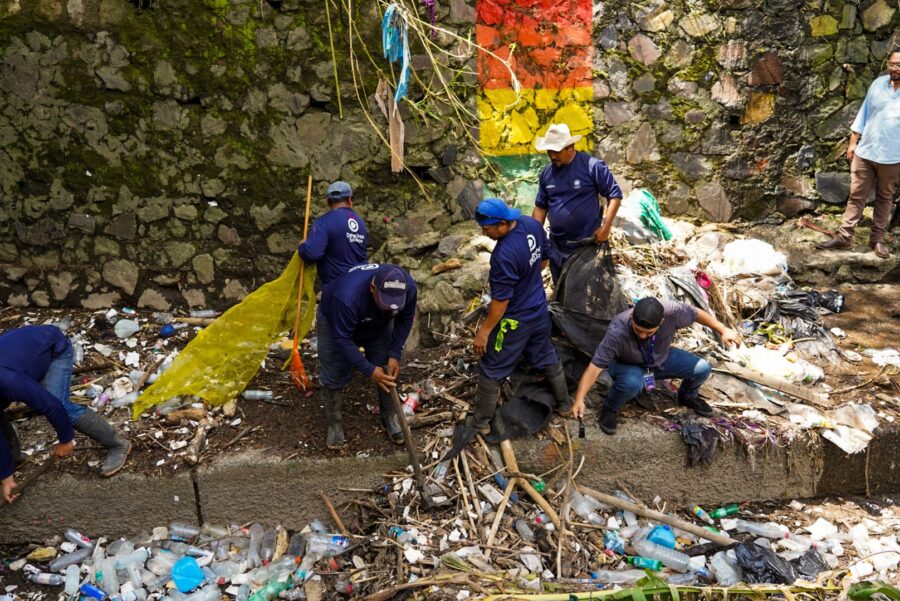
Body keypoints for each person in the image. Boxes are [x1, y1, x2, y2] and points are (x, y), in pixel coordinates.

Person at [470, 198, 570, 434]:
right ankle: (565, 404)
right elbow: (544, 260)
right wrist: (527, 279)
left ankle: (480, 422)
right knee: (545, 353)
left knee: (493, 365)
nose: (486, 233)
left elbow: (501, 302)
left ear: (503, 223)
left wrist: (484, 332)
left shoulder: (503, 256)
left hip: (515, 320)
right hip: (538, 308)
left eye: (488, 229)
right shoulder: (531, 224)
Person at [570, 298, 742, 435]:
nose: (643, 335)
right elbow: (595, 367)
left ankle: (688, 397)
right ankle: (610, 408)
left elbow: (696, 313)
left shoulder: (673, 312)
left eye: (649, 332)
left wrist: (723, 329)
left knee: (702, 368)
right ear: (631, 318)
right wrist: (579, 399)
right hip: (627, 365)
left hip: (660, 360)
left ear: (661, 322)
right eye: (638, 330)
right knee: (632, 384)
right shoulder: (618, 330)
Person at [1, 325, 131, 503]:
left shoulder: (9, 381)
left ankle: (118, 444)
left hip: (53, 347)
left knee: (62, 405)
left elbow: (52, 406)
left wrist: (66, 440)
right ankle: (15, 459)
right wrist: (6, 476)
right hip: (25, 357)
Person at [317, 263, 417, 448]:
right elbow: (342, 339)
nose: (390, 308)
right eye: (386, 301)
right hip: (336, 321)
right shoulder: (346, 297)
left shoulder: (408, 288)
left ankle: (389, 415)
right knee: (334, 370)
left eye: (394, 305)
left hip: (378, 324)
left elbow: (404, 319)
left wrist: (395, 353)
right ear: (373, 288)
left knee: (386, 366)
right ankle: (335, 424)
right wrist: (369, 370)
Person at [816, 49, 900, 259]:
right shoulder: (878, 84)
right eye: (891, 64)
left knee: (884, 197)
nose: (894, 69)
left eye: (898, 65)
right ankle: (844, 237)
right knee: (856, 195)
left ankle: (877, 240)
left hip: (892, 157)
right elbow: (863, 113)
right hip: (866, 152)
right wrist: (853, 143)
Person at [532, 123, 624, 282]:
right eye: (549, 151)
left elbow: (614, 195)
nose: (552, 155)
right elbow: (541, 207)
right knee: (561, 290)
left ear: (570, 147)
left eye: (556, 151)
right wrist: (533, 235)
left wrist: (606, 228)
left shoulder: (592, 166)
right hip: (557, 246)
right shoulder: (547, 173)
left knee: (584, 292)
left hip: (586, 246)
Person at [298, 180, 369, 285]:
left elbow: (312, 254)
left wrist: (302, 246)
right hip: (361, 285)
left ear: (327, 201)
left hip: (338, 288)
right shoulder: (360, 222)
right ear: (350, 200)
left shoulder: (324, 222)